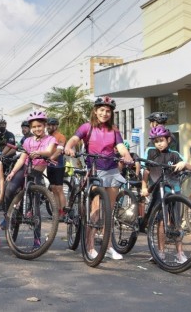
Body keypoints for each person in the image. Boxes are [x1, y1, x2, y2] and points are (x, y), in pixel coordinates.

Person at [64, 96, 133, 260]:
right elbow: (75, 139)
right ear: (95, 111)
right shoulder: (87, 127)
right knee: (96, 211)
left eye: (108, 111)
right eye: (102, 110)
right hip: (94, 170)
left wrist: (127, 156)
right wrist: (68, 146)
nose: (105, 113)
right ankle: (89, 246)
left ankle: (108, 246)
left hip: (112, 169)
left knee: (109, 211)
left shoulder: (114, 130)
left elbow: (121, 147)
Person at [2, 111, 57, 248]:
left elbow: (50, 151)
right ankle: (8, 216)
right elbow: (22, 158)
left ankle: (37, 240)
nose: (37, 129)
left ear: (44, 125)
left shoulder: (50, 139)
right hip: (25, 169)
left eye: (39, 126)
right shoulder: (28, 141)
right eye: (34, 127)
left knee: (35, 205)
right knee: (9, 189)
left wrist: (38, 153)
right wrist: (13, 172)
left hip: (37, 173)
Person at [142, 126, 191, 263]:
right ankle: (160, 252)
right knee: (161, 222)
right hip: (159, 192)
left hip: (174, 190)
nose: (159, 143)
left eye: (161, 140)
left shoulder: (175, 154)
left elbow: (190, 167)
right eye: (156, 141)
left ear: (168, 139)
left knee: (176, 222)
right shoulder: (152, 153)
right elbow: (147, 171)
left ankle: (180, 253)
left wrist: (184, 163)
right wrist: (143, 186)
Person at [46, 117, 67, 219]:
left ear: (56, 126)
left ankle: (63, 212)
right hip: (49, 165)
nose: (49, 127)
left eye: (51, 125)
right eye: (48, 125)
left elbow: (59, 151)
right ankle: (57, 212)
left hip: (58, 165)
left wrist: (51, 158)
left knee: (59, 189)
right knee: (53, 189)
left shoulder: (60, 136)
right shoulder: (46, 137)